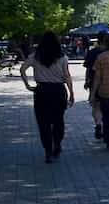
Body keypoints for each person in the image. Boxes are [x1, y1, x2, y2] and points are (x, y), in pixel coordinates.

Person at [22, 31, 74, 163]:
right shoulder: (62, 57)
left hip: (42, 91)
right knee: (58, 121)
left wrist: (27, 84)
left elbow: (22, 69)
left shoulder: (35, 57)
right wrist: (72, 92)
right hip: (58, 91)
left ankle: (47, 151)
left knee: (43, 123)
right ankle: (57, 144)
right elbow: (67, 76)